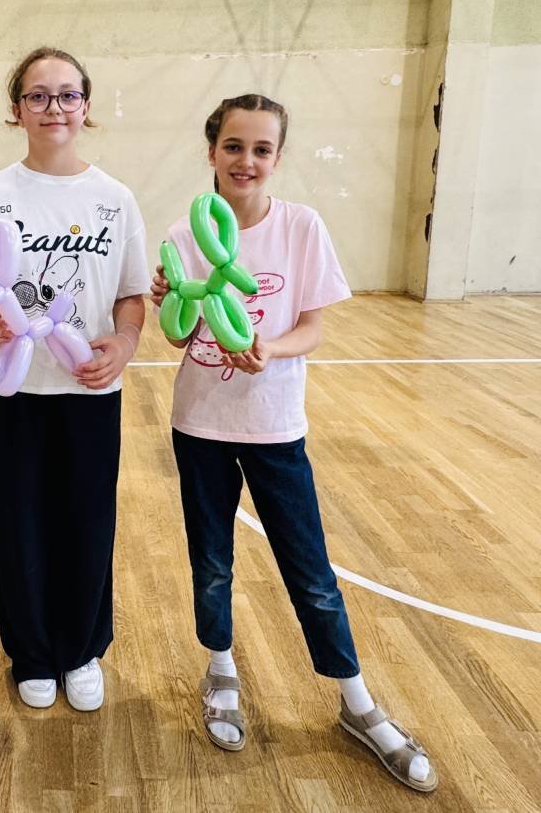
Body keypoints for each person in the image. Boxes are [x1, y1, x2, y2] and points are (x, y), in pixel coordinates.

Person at [151, 93, 436, 792]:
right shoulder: (184, 234)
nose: (246, 160)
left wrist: (269, 349)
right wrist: (171, 300)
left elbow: (313, 327)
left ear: (277, 157)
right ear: (212, 151)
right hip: (200, 425)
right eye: (234, 146)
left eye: (261, 149)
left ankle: (357, 703)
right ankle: (221, 671)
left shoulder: (301, 226)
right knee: (211, 562)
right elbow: (179, 338)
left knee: (310, 571)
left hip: (275, 426)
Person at [0, 47, 149, 711]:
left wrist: (125, 342)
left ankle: (81, 650)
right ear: (17, 110)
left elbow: (132, 295)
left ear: (85, 106)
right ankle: (31, 654)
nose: (53, 107)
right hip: (14, 392)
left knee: (87, 521)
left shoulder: (115, 199)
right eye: (38, 95)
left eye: (66, 95)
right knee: (19, 523)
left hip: (89, 390)